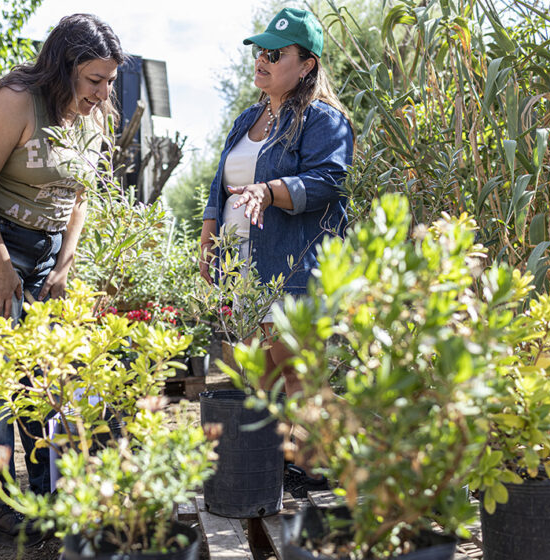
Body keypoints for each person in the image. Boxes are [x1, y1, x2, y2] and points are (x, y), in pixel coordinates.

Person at [0, 13, 123, 544]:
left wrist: (64, 265)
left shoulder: (95, 113)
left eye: (110, 79)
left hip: (44, 248)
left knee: (43, 369)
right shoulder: (16, 100)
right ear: (64, 68)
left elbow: (81, 196)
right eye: (94, 80)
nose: (103, 91)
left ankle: (43, 501)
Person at [199, 8, 353, 497]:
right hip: (241, 266)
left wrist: (271, 191)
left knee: (295, 368)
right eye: (259, 52)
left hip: (293, 264)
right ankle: (270, 468)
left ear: (306, 64)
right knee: (257, 371)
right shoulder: (248, 118)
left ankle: (314, 472)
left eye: (275, 54)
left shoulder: (324, 120)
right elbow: (220, 183)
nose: (261, 60)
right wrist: (208, 236)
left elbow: (330, 181)